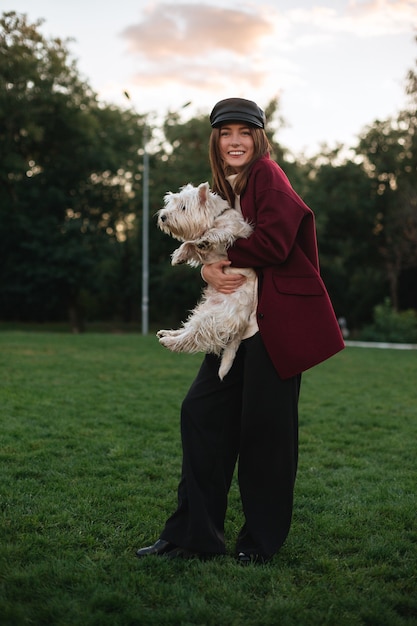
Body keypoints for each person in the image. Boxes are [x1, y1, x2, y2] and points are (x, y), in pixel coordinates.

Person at [136, 98, 345, 564]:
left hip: (275, 327)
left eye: (244, 132)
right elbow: (220, 244)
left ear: (258, 139)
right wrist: (207, 271)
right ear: (216, 140)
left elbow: (273, 241)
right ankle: (192, 535)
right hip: (237, 325)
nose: (235, 141)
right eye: (226, 132)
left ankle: (260, 544)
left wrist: (216, 261)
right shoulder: (223, 188)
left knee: (266, 437)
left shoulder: (268, 175)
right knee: (200, 415)